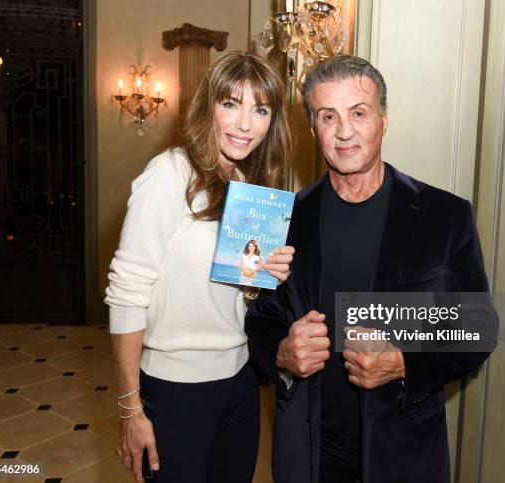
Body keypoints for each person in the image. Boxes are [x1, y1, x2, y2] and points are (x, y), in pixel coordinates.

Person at [245, 55, 498, 483]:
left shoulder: (444, 215)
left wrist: (403, 361)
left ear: (383, 119)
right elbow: (261, 321)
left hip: (404, 456)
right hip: (307, 458)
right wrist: (281, 354)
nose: (344, 132)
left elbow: (477, 327)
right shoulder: (281, 220)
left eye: (358, 113)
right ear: (313, 129)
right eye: (329, 116)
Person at [105, 51, 294, 483]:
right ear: (208, 106)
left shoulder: (245, 185)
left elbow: (230, 296)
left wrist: (263, 276)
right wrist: (131, 409)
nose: (245, 124)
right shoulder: (169, 174)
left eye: (260, 109)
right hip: (175, 390)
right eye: (231, 103)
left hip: (240, 383)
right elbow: (126, 293)